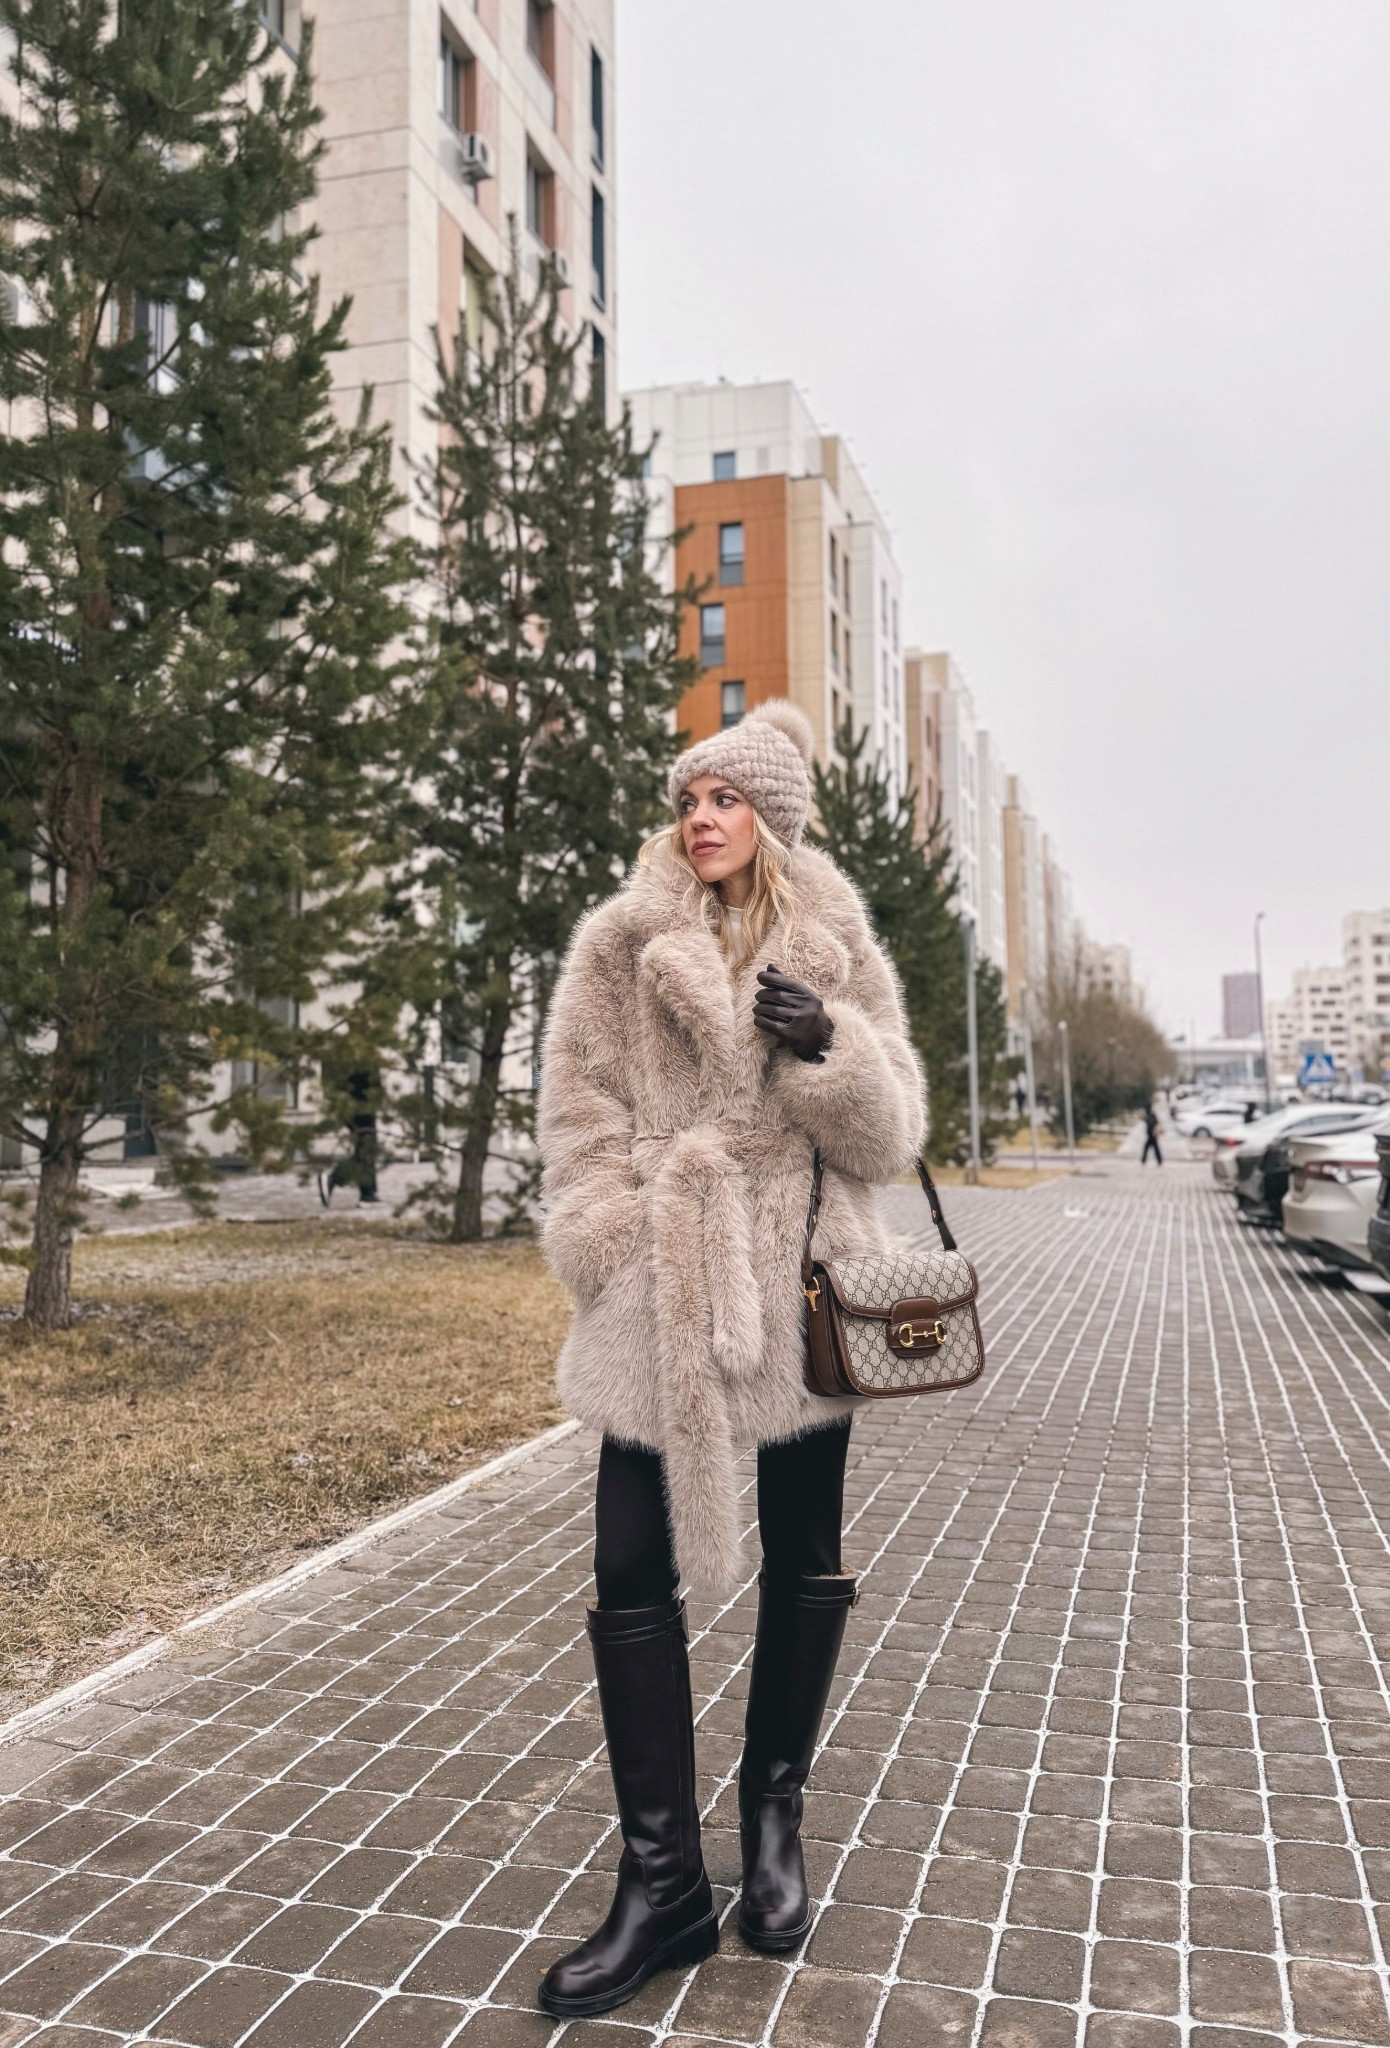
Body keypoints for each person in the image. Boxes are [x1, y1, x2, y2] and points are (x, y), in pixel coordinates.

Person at [535, 701, 925, 2019]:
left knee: (806, 1555)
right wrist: (612, 1240)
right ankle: (660, 1889)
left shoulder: (831, 938)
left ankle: (771, 1825)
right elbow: (577, 1119)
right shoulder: (616, 946)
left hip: (804, 1275)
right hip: (667, 1276)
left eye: (726, 797)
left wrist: (829, 1045)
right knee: (626, 1559)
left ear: (772, 819)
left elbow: (889, 1133)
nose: (699, 815)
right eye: (687, 795)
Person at [318, 1067, 380, 1206]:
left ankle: (368, 1191)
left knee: (366, 1144)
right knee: (366, 1143)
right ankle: (335, 1178)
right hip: (358, 1097)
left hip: (357, 1096)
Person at [1141, 1101, 1163, 1166]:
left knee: (1150, 1148)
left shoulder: (1151, 1115)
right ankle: (1159, 1160)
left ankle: (1144, 1160)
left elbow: (1152, 1123)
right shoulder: (1150, 1114)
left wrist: (1146, 1120)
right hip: (1151, 1135)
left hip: (1152, 1135)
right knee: (1154, 1148)